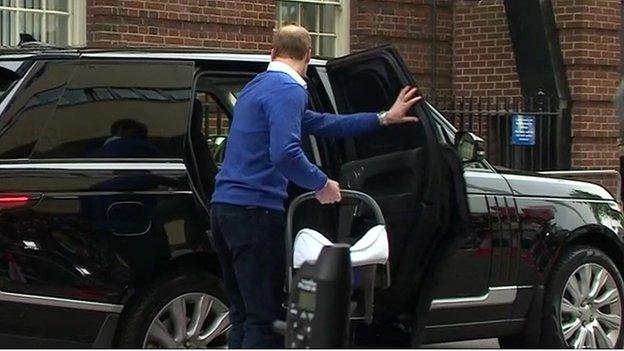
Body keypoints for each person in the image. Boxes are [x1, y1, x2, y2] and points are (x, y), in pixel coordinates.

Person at [210, 24, 422, 348]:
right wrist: (322, 184)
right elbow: (285, 153)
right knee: (261, 321)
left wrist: (382, 118)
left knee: (241, 314)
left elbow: (322, 123)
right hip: (254, 214)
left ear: (272, 52)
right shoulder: (289, 89)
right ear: (308, 56)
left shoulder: (256, 87)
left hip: (224, 210)